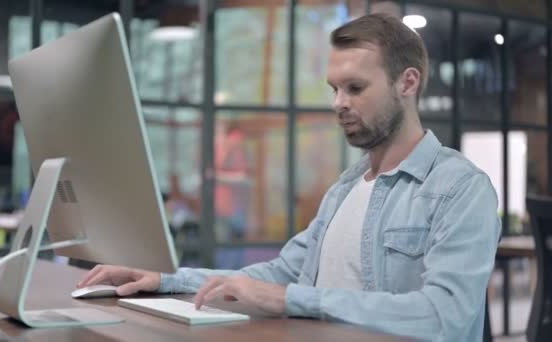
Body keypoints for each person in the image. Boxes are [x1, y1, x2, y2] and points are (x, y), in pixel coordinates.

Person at [77, 13, 500, 341]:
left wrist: (289, 299)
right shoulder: (345, 189)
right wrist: (165, 280)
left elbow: (444, 318)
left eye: (355, 88)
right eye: (334, 88)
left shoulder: (460, 189)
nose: (338, 103)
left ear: (407, 83)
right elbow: (282, 275)